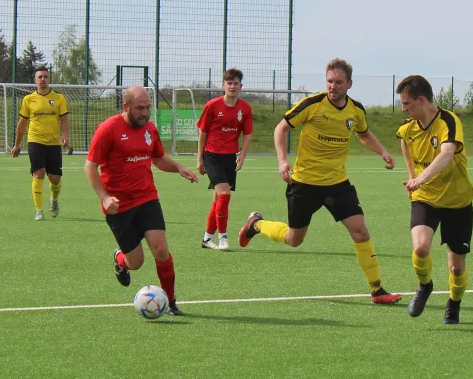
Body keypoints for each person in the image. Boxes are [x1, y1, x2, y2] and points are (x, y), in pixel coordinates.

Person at [238, 58, 402, 305]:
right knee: (294, 240)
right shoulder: (312, 104)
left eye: (338, 82)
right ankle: (257, 224)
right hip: (304, 184)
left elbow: (364, 133)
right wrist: (283, 161)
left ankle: (377, 290)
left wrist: (382, 151)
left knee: (360, 231)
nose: (333, 87)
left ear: (349, 84)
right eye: (329, 81)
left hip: (337, 184)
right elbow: (280, 129)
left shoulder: (356, 110)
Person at [85, 86, 198, 316]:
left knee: (161, 248)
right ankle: (119, 259)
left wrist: (178, 167)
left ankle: (170, 301)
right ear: (126, 107)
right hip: (119, 205)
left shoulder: (150, 129)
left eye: (148, 107)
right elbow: (90, 166)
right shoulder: (108, 129)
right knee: (136, 262)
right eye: (140, 108)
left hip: (147, 198)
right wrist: (104, 197)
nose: (145, 113)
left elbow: (158, 159)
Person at [396, 75, 473, 325]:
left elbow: (447, 154)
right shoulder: (407, 130)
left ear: (421, 100)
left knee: (457, 268)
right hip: (425, 199)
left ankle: (454, 302)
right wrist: (412, 179)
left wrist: (421, 177)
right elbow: (406, 148)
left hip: (458, 201)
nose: (403, 108)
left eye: (406, 103)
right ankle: (425, 286)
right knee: (420, 248)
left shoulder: (448, 121)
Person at [197, 68, 253, 252]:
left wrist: (242, 156)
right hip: (212, 156)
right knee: (224, 195)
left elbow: (247, 135)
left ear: (241, 86)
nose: (232, 86)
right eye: (229, 83)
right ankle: (223, 237)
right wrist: (200, 160)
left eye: (236, 83)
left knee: (217, 201)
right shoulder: (212, 106)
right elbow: (203, 133)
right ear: (224, 85)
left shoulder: (245, 108)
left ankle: (207, 238)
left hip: (229, 157)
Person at [11, 66, 69, 220]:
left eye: (45, 77)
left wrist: (65, 136)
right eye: (40, 77)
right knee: (39, 173)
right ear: (35, 80)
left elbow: (64, 119)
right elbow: (22, 124)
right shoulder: (28, 99)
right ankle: (39, 210)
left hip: (53, 143)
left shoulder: (59, 98)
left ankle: (54, 201)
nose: (43, 80)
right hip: (35, 141)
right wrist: (16, 144)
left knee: (55, 178)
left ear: (49, 79)